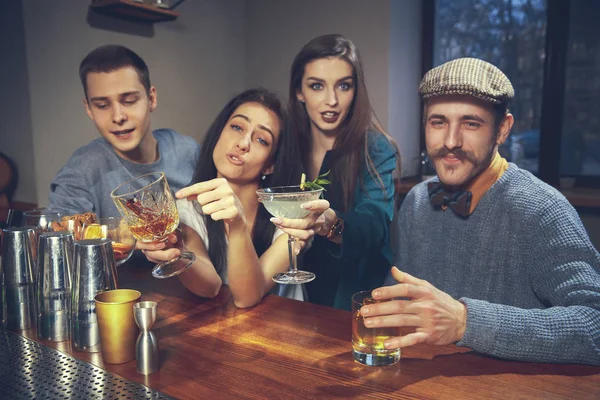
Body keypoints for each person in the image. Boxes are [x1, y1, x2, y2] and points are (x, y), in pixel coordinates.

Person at [361, 57, 600, 365]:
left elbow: (594, 326)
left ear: (502, 130)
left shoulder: (543, 210)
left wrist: (465, 321)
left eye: (471, 123)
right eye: (438, 122)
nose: (450, 141)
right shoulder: (418, 200)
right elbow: (403, 296)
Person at [139, 88, 305, 308]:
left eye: (262, 140)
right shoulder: (189, 209)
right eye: (237, 127)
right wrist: (176, 253)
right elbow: (209, 287)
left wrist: (237, 226)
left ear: (271, 164)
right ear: (219, 132)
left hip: (291, 331)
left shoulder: (288, 214)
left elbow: (247, 296)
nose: (243, 143)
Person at [274, 34, 400, 310]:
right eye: (317, 86)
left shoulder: (375, 148)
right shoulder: (285, 146)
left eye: (343, 86)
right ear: (299, 91)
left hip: (348, 303)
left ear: (356, 91)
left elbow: (375, 222)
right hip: (285, 300)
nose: (331, 100)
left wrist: (333, 224)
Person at [48, 44, 200, 217]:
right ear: (89, 109)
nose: (118, 117)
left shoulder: (187, 150)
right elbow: (58, 234)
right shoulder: (81, 170)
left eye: (129, 101)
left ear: (151, 98)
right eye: (102, 106)